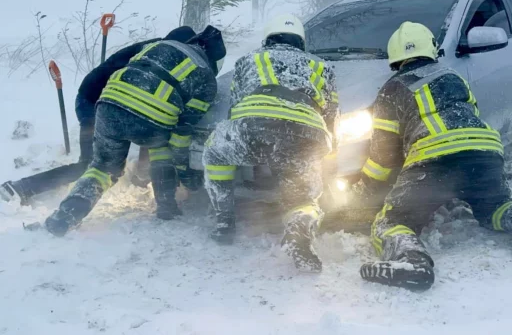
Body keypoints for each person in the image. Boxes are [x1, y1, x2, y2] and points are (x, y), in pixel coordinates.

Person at [350, 22, 512, 291]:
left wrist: (366, 188)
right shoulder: (453, 77)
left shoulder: (392, 89)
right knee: (494, 205)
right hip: (485, 152)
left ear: (395, 57)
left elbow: (383, 158)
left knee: (393, 221)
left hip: (433, 161)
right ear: (430, 49)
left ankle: (412, 262)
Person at [43, 25, 226, 236]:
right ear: (215, 61)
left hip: (108, 106)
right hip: (150, 120)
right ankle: (167, 207)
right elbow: (181, 133)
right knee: (161, 148)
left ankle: (66, 216)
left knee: (102, 168)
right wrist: (185, 173)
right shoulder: (206, 78)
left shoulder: (158, 45)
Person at [203, 14, 339, 272]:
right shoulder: (323, 66)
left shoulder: (249, 60)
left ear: (267, 39)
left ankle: (225, 220)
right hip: (305, 133)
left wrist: (246, 141)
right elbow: (332, 116)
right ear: (301, 41)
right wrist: (327, 155)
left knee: (216, 153)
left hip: (253, 125)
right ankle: (299, 229)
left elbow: (235, 105)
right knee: (304, 196)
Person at [0, 27, 197, 205]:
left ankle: (140, 177)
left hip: (115, 103)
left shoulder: (159, 51)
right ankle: (21, 187)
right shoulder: (159, 55)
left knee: (149, 124)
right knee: (90, 165)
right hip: (94, 103)